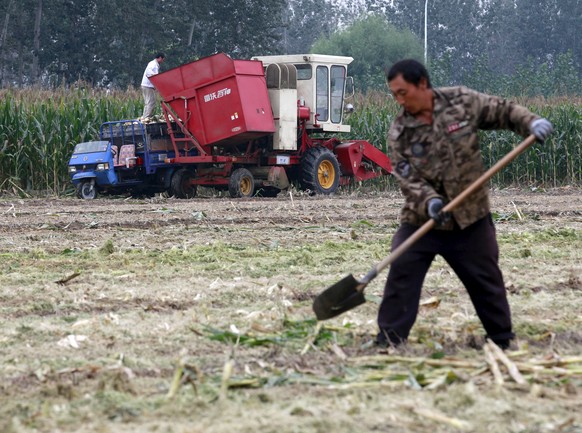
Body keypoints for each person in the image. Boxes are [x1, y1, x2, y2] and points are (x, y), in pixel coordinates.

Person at [377, 59, 553, 350]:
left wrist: (530, 122)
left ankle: (501, 340)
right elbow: (407, 177)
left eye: (403, 92)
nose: (399, 100)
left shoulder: (461, 102)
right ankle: (389, 341)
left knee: (486, 280)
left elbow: (503, 110)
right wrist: (430, 201)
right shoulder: (400, 131)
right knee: (402, 270)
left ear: (422, 83)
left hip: (470, 217)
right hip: (423, 219)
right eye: (394, 94)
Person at [140, 53, 165, 120]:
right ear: (159, 58)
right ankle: (147, 117)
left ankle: (145, 116)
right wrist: (156, 78)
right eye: (162, 59)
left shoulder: (153, 64)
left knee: (147, 102)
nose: (162, 61)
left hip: (146, 85)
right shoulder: (153, 64)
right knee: (151, 101)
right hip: (148, 85)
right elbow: (148, 72)